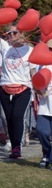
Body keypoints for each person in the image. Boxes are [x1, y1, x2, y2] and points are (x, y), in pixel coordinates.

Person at [0, 8, 35, 159]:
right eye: (9, 33)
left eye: (14, 33)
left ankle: (18, 146)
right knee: (8, 118)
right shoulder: (5, 47)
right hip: (5, 88)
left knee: (17, 116)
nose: (11, 36)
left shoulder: (30, 51)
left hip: (23, 88)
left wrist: (38, 91)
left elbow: (34, 73)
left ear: (22, 34)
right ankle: (13, 144)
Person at [32, 40, 52, 169]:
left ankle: (48, 158)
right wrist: (36, 89)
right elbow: (36, 84)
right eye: (50, 49)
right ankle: (47, 153)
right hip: (45, 105)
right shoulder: (41, 66)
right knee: (42, 131)